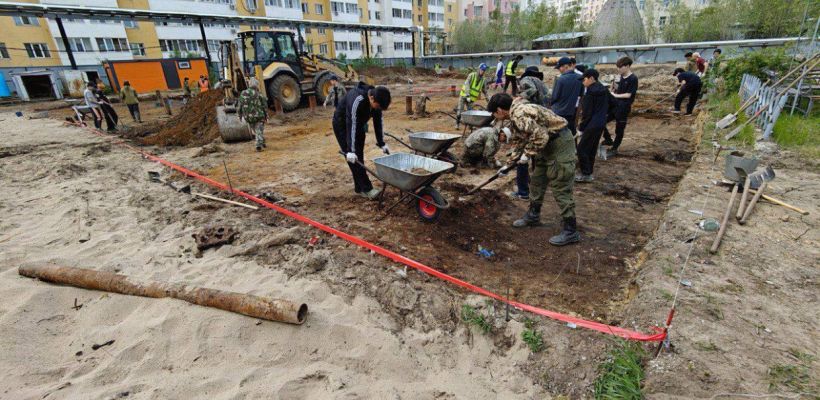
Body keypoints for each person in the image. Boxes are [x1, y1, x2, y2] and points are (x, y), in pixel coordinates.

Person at [488, 93, 579, 245]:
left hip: (559, 143)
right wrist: (508, 164)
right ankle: (533, 215)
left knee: (559, 184)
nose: (496, 117)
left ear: (500, 110)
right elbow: (518, 141)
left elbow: (541, 136)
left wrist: (526, 155)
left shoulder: (519, 114)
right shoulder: (514, 115)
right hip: (545, 146)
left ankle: (571, 230)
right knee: (537, 181)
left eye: (494, 114)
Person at [333, 82, 392, 199]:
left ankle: (359, 188)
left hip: (358, 125)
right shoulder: (357, 99)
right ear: (371, 98)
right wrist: (350, 150)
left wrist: (381, 143)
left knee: (358, 156)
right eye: (378, 106)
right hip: (342, 125)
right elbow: (351, 124)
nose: (378, 109)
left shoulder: (377, 100)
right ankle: (367, 188)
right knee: (353, 157)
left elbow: (378, 122)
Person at [575, 69, 609, 182]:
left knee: (581, 149)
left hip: (592, 124)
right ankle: (589, 171)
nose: (583, 82)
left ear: (591, 78)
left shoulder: (589, 93)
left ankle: (586, 174)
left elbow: (587, 114)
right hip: (601, 123)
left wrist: (581, 127)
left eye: (584, 79)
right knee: (592, 148)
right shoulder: (604, 89)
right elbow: (613, 104)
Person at [601, 56, 638, 155]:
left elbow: (628, 95)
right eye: (617, 67)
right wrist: (612, 89)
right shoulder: (620, 77)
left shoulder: (633, 79)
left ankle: (614, 148)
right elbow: (615, 90)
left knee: (619, 129)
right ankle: (608, 139)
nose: (618, 69)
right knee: (601, 121)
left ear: (627, 66)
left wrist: (615, 95)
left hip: (623, 107)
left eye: (620, 67)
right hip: (614, 105)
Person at [550, 56, 584, 136]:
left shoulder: (560, 79)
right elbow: (581, 95)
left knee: (558, 135)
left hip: (558, 112)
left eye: (559, 68)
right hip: (572, 112)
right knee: (572, 133)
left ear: (566, 66)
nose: (559, 70)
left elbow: (554, 97)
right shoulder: (580, 78)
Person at [238, 78, 269, 151]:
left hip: (248, 117)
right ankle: (258, 145)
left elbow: (240, 106)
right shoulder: (259, 94)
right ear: (257, 85)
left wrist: (240, 115)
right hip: (259, 116)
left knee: (256, 130)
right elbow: (264, 106)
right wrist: (266, 115)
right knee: (259, 130)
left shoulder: (243, 93)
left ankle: (262, 141)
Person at [456, 63, 489, 128]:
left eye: (484, 70)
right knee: (460, 111)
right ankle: (457, 124)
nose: (483, 72)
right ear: (479, 69)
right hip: (464, 96)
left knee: (471, 113)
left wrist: (488, 99)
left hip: (471, 100)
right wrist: (467, 95)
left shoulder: (483, 80)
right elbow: (467, 85)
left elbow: (485, 91)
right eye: (482, 70)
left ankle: (470, 126)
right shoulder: (472, 75)